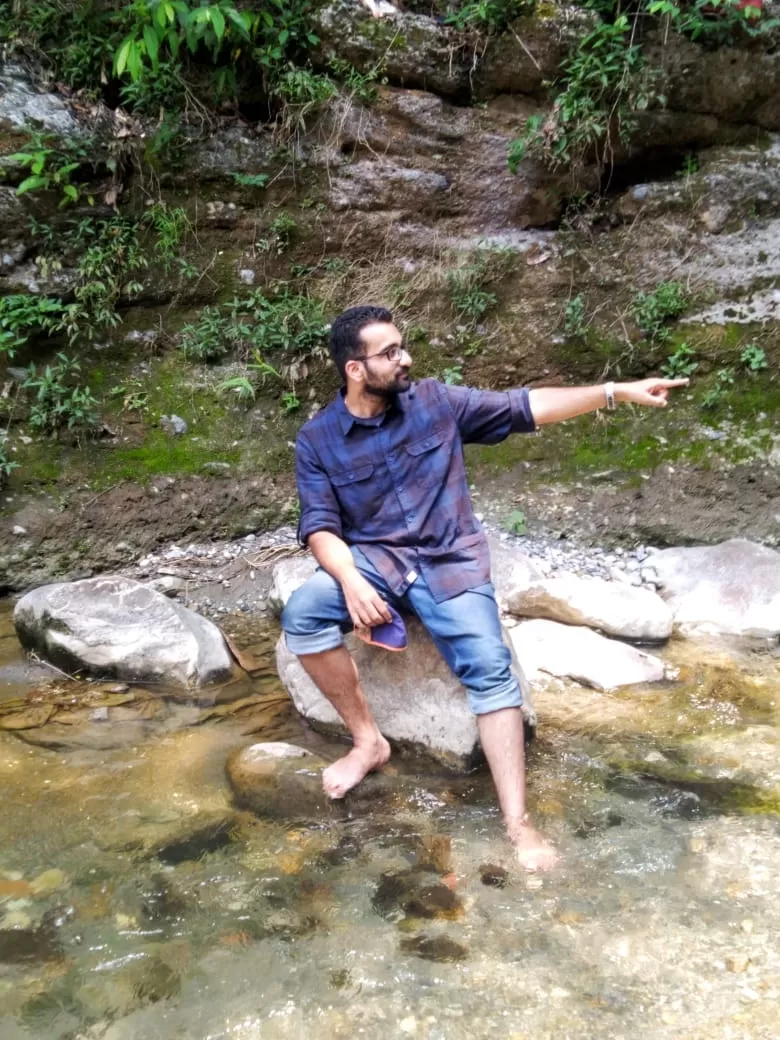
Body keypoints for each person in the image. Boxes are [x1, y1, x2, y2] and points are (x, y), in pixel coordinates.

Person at [281, 305, 688, 870]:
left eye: (404, 346)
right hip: (377, 563)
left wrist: (614, 390)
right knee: (303, 614)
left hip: (451, 562)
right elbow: (319, 526)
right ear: (355, 368)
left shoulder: (437, 403)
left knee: (490, 669)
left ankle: (518, 826)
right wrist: (349, 581)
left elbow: (526, 406)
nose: (408, 358)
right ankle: (368, 742)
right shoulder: (318, 439)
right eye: (391, 352)